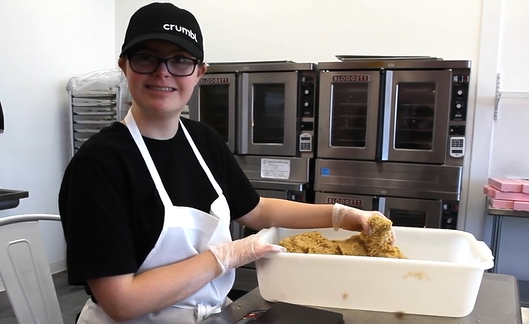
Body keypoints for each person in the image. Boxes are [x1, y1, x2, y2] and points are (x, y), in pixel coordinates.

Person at [58, 2, 393, 324]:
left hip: (214, 313)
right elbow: (121, 302)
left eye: (180, 61)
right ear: (124, 65)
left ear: (199, 72)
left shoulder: (202, 140)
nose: (163, 72)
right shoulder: (98, 165)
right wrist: (223, 258)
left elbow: (255, 210)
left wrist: (339, 215)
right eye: (146, 58)